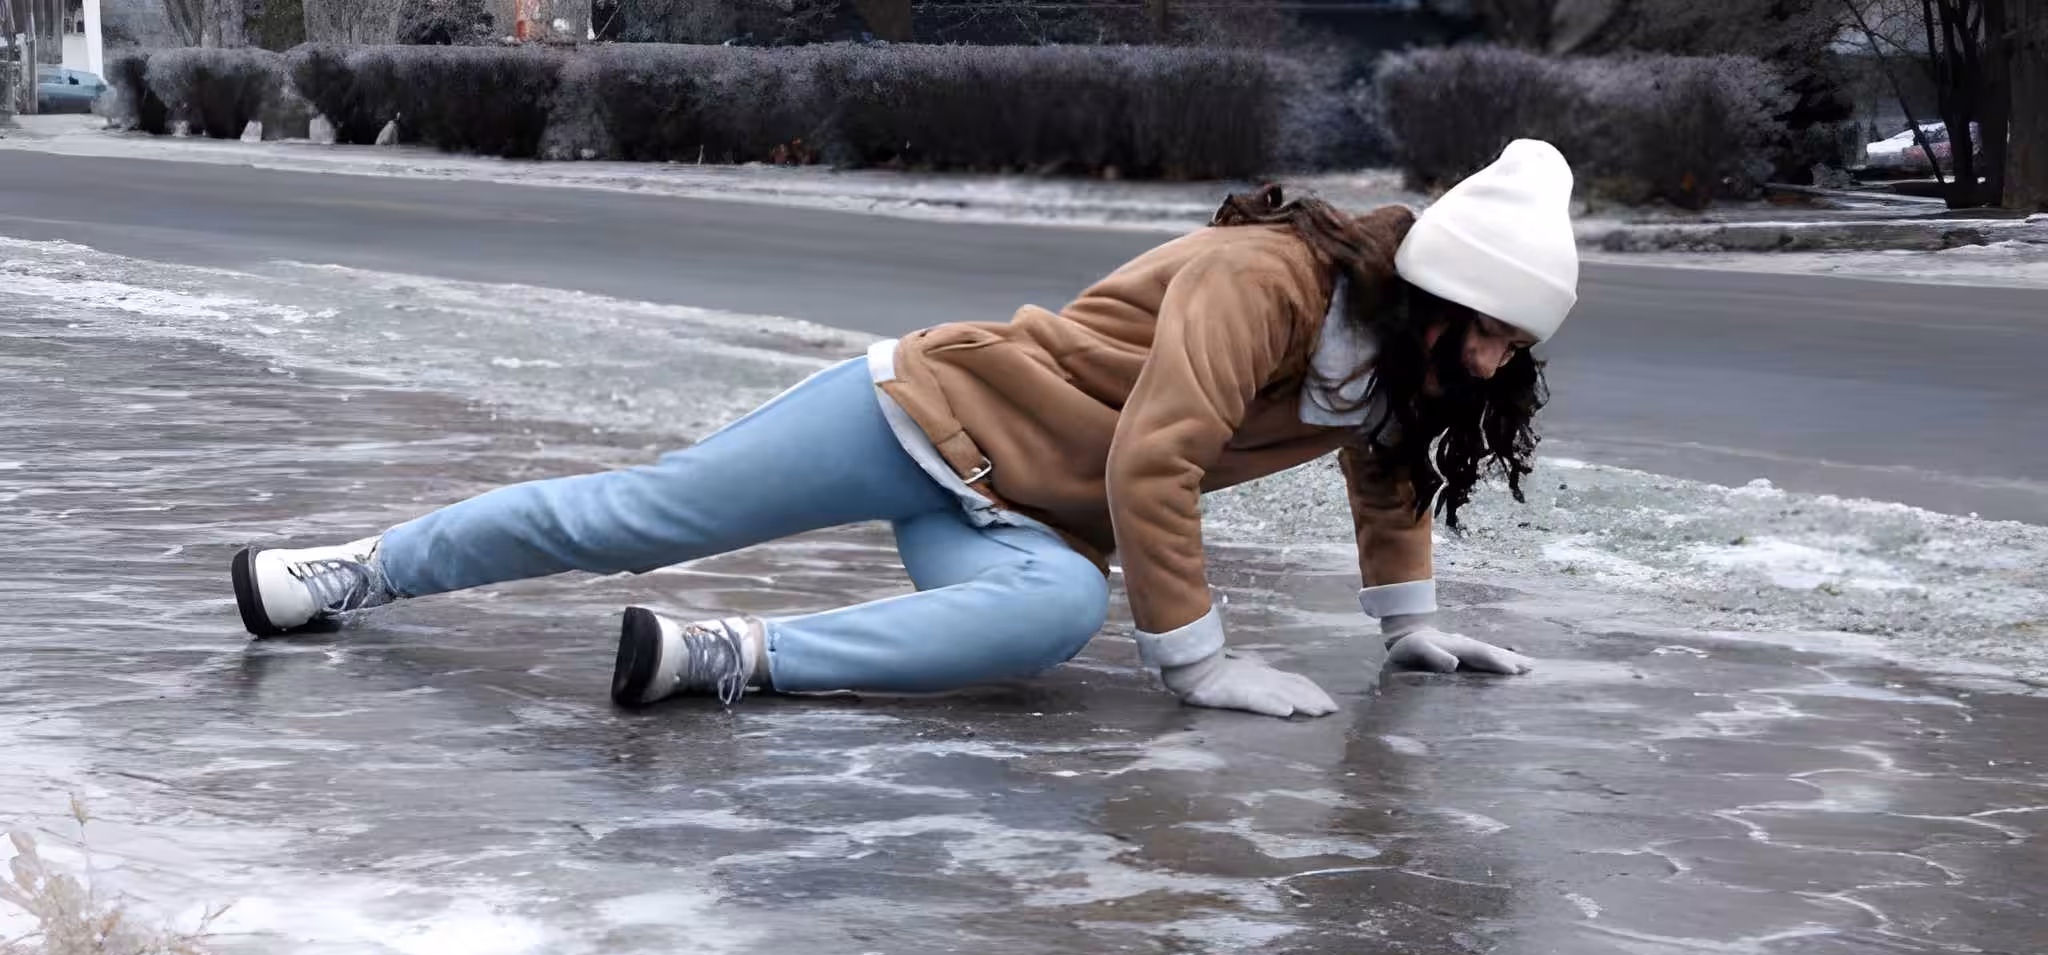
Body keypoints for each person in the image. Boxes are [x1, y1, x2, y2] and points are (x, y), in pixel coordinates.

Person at [231, 139, 1579, 720]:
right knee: (639, 519)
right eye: (1480, 329)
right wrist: (1200, 665)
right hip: (919, 413)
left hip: (1026, 516)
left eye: (1513, 345)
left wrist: (1407, 626)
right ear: (1427, 290)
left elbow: (1388, 464)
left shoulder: (1399, 360)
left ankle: (724, 658)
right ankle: (351, 570)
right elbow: (1156, 456)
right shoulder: (1265, 281)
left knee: (1053, 616)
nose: (1489, 360)